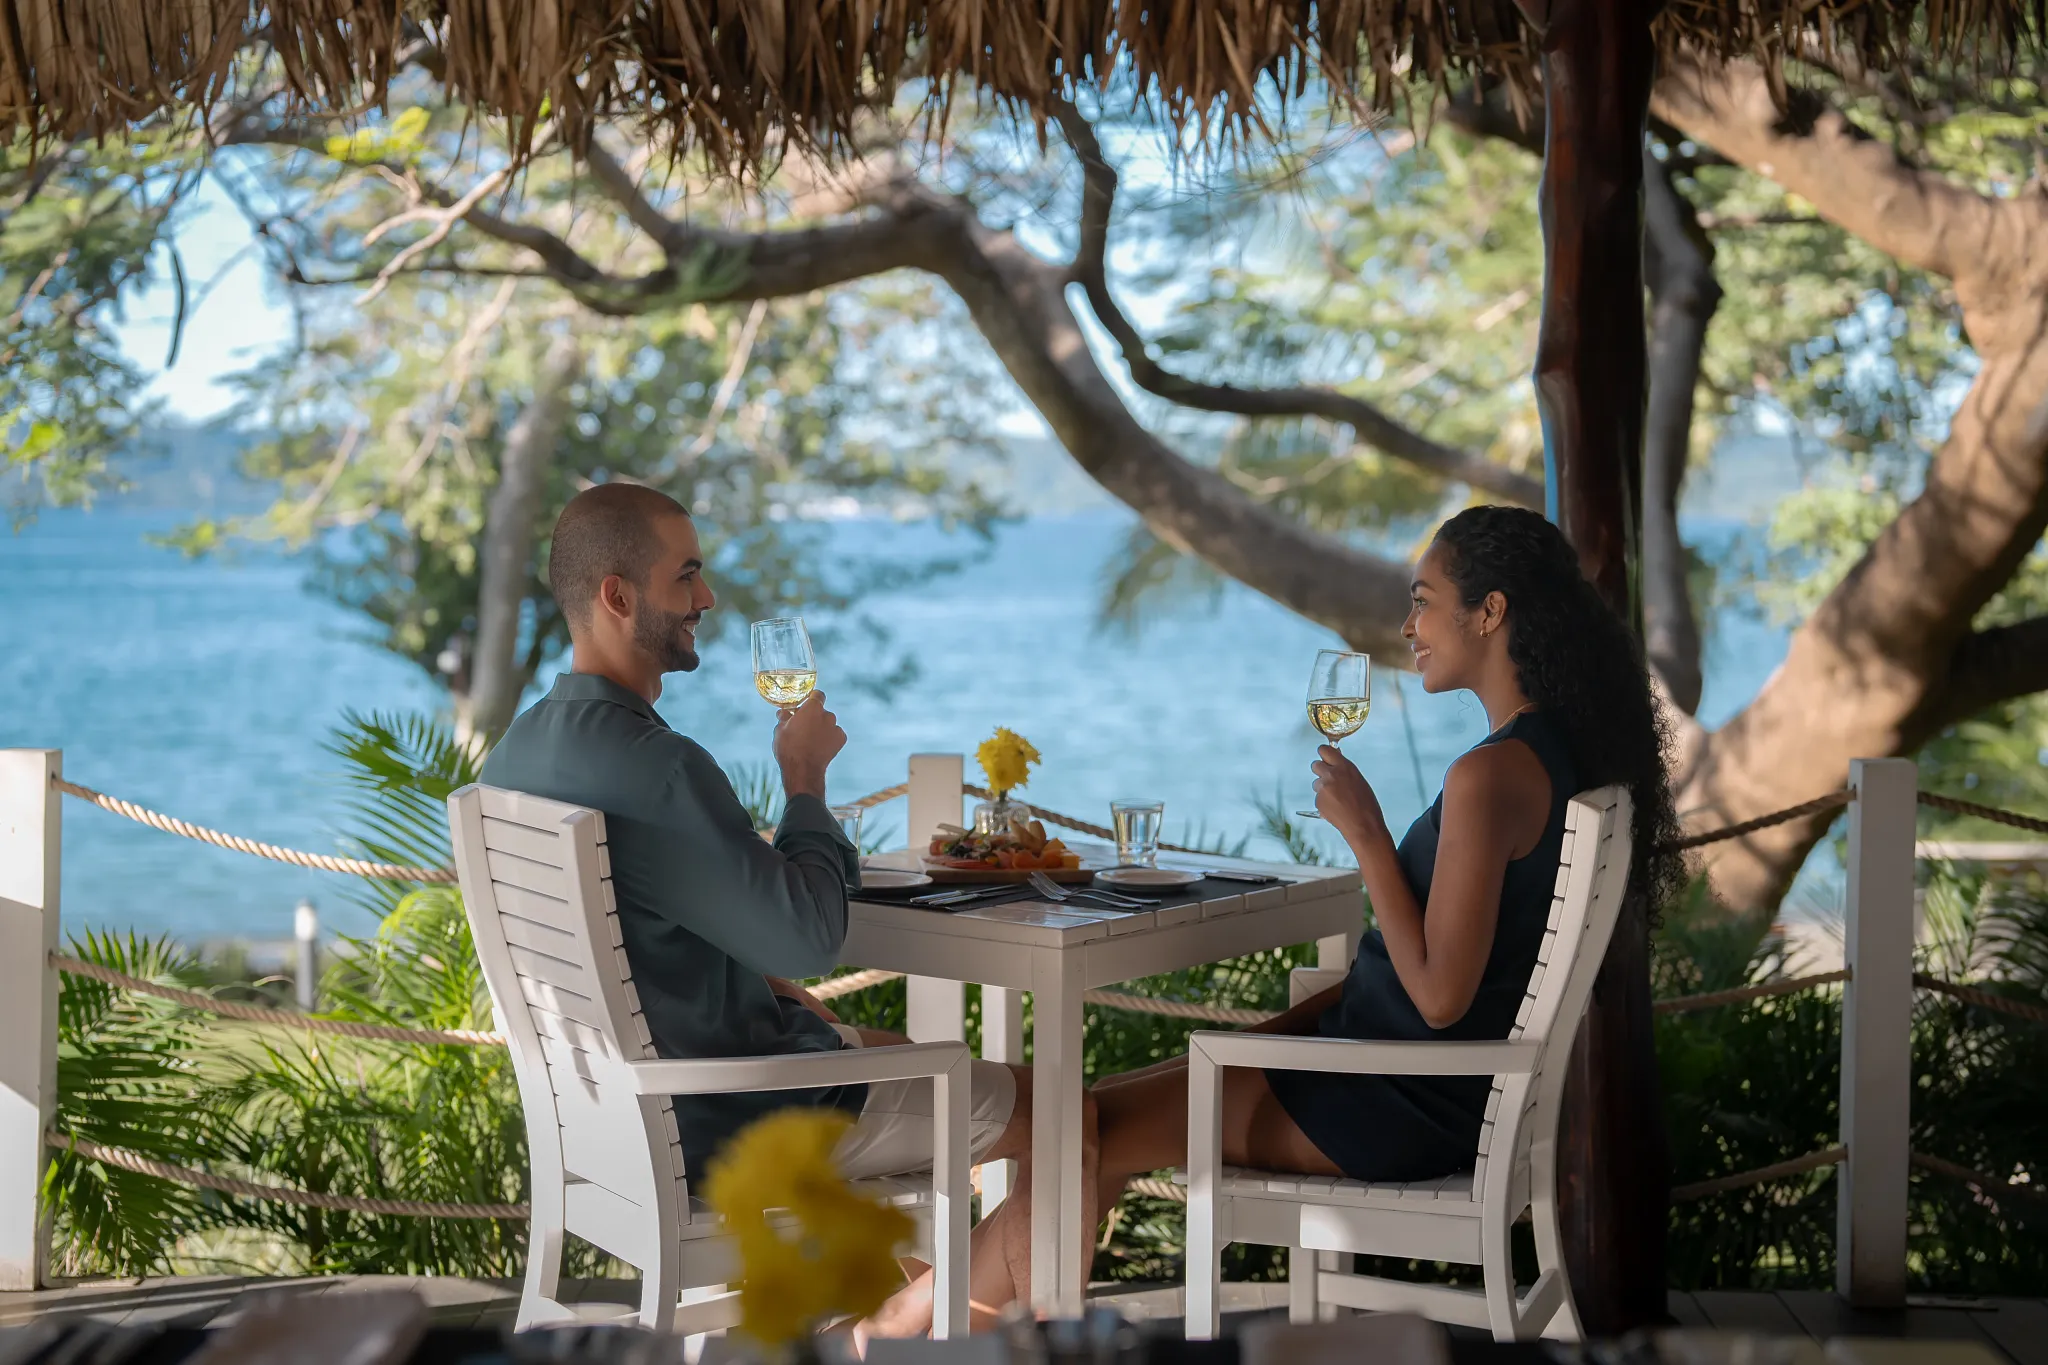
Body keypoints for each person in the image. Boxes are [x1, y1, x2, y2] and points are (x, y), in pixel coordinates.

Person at [867, 504, 1682, 1335]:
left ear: (1491, 611)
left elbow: (1438, 996)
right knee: (1076, 1117)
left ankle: (905, 1330)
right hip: (1387, 1075)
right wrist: (1278, 1032)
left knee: (1081, 1128)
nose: (1408, 625)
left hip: (1392, 1105)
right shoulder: (1552, 756)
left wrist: (1366, 835)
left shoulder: (1490, 777)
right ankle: (936, 1326)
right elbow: (1417, 984)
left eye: (1424, 600)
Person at [479, 482, 1054, 1235]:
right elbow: (810, 937)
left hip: (626, 1120)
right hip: (737, 1119)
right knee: (1055, 1110)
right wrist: (804, 779)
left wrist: (775, 991)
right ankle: (931, 1328)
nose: (707, 596)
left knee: (911, 1054)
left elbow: (655, 931)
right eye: (685, 575)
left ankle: (892, 1316)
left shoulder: (509, 760)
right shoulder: (662, 767)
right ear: (617, 597)